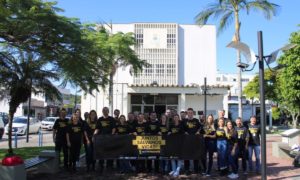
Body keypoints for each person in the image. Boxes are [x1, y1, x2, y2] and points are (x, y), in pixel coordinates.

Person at [94, 107, 116, 172]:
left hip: (109, 138)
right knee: (102, 152)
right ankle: (101, 165)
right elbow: (97, 128)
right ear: (102, 111)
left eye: (106, 110)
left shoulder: (111, 119)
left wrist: (112, 135)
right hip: (101, 138)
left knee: (110, 152)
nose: (105, 111)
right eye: (104, 110)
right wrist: (94, 135)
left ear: (108, 111)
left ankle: (110, 166)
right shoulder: (99, 119)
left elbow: (114, 128)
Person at [183, 108, 201, 174]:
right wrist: (184, 132)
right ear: (187, 113)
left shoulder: (196, 120)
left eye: (191, 112)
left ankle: (196, 170)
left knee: (195, 155)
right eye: (189, 113)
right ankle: (187, 170)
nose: (190, 114)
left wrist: (198, 131)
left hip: (195, 140)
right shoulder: (184, 121)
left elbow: (200, 127)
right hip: (187, 141)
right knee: (186, 155)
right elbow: (181, 129)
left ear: (193, 113)